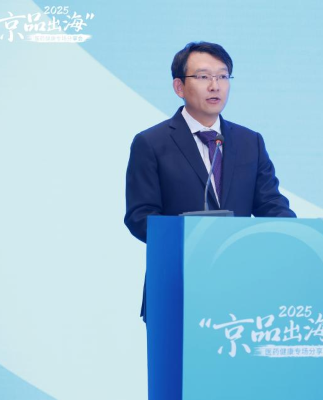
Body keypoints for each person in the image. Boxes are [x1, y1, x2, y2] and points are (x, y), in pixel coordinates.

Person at [124, 42, 296, 319]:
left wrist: (293, 236)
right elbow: (140, 216)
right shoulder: (151, 143)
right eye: (204, 76)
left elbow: (271, 204)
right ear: (179, 87)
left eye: (223, 76)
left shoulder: (249, 141)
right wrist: (193, 240)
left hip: (240, 289)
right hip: (176, 286)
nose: (215, 86)